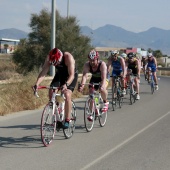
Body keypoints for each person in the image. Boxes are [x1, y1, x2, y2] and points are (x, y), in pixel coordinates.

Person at [32, 48, 78, 129]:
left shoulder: (68, 57)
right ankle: (56, 112)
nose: (56, 65)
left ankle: (67, 120)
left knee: (67, 95)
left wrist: (66, 85)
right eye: (54, 64)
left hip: (70, 76)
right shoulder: (49, 57)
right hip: (60, 75)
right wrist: (37, 84)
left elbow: (72, 75)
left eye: (57, 63)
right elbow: (44, 72)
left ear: (60, 57)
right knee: (51, 92)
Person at [78, 50, 109, 119]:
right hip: (94, 78)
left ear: (97, 59)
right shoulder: (87, 64)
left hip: (103, 78)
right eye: (90, 60)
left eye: (93, 60)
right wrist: (82, 85)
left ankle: (105, 102)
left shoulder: (102, 64)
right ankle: (93, 111)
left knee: (102, 89)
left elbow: (104, 78)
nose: (92, 62)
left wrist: (102, 85)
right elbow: (85, 76)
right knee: (92, 94)